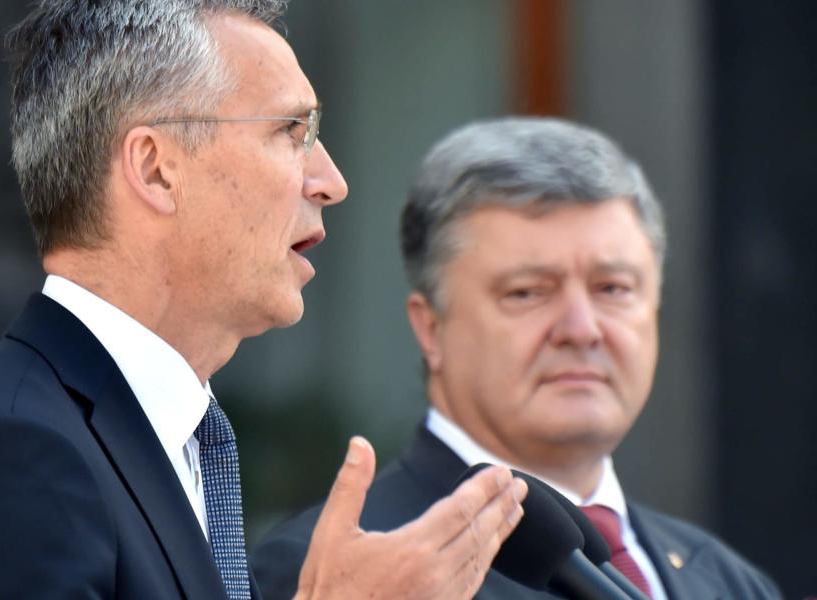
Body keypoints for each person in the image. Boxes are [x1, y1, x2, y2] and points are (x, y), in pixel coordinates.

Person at [0, 3, 529, 599]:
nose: (330, 181)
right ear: (155, 168)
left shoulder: (153, 439)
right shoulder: (7, 456)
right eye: (291, 131)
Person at [251, 117, 783, 599]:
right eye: (527, 292)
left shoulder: (729, 581)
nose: (581, 330)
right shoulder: (337, 574)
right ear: (431, 327)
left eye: (613, 288)